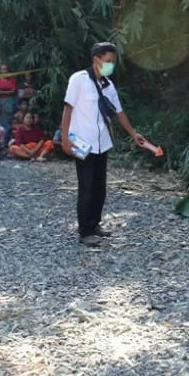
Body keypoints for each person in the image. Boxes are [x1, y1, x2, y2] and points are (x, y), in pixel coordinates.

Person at [61, 42, 145, 247]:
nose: (110, 65)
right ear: (96, 59)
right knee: (86, 186)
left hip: (102, 143)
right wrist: (64, 139)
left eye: (113, 62)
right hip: (81, 142)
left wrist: (133, 134)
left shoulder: (108, 85)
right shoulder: (78, 80)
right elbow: (67, 109)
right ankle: (84, 231)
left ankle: (95, 224)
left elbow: (119, 112)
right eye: (108, 61)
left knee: (100, 188)